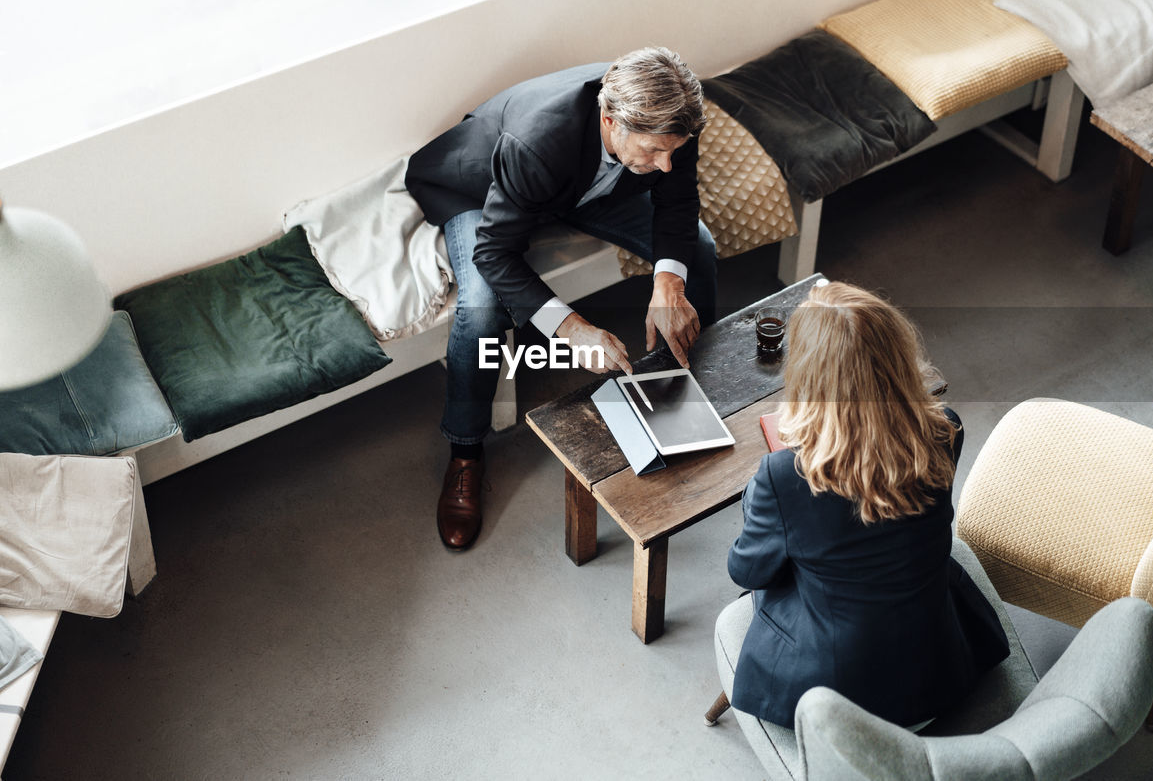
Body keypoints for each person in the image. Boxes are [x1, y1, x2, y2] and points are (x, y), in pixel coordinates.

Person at [405, 47, 717, 552]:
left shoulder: (671, 123)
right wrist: (571, 329)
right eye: (654, 151)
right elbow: (496, 253)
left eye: (673, 152)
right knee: (482, 312)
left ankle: (684, 387)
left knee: (696, 249)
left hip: (587, 189)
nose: (666, 164)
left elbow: (678, 200)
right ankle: (465, 452)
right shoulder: (538, 141)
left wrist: (668, 284)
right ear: (611, 121)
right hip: (479, 190)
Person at [727, 282, 1009, 729]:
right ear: (899, 359)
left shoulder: (784, 476)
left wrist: (761, 497)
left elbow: (747, 572)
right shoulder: (944, 432)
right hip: (937, 672)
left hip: (841, 703)